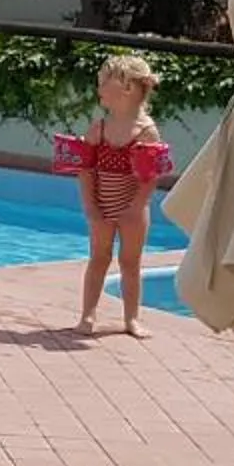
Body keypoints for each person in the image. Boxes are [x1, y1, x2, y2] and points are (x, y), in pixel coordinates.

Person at [71, 53, 168, 337]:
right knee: (98, 259)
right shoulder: (99, 129)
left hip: (133, 209)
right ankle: (87, 315)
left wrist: (137, 207)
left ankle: (132, 319)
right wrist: (90, 205)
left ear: (127, 89)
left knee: (130, 263)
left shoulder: (146, 132)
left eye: (104, 82)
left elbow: (150, 176)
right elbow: (86, 169)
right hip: (102, 206)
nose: (98, 88)